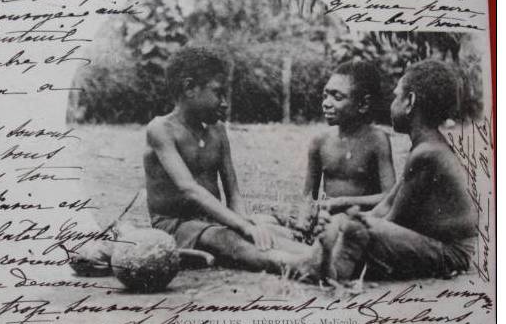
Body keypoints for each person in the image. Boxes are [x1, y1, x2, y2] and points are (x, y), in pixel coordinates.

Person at [144, 47, 315, 275]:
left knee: (264, 231)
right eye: (218, 93)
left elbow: (232, 191)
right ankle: (299, 264)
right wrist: (241, 226)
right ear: (189, 88)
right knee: (226, 238)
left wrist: (246, 224)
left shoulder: (218, 131)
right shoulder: (161, 130)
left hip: (213, 218)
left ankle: (315, 254)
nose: (224, 103)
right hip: (176, 225)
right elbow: (189, 189)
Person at [319, 59, 477, 281]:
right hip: (438, 245)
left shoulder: (428, 153)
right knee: (347, 225)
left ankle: (329, 273)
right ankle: (326, 261)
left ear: (410, 102)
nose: (392, 103)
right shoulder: (424, 147)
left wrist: (348, 222)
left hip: (451, 254)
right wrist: (343, 220)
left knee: (354, 230)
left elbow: (393, 220)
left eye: (396, 96)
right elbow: (385, 205)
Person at [304, 61, 396, 214]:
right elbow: (308, 197)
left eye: (337, 97)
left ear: (363, 104)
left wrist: (345, 202)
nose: (326, 103)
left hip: (363, 223)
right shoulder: (320, 141)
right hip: (327, 223)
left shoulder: (377, 140)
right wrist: (305, 218)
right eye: (325, 95)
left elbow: (390, 197)